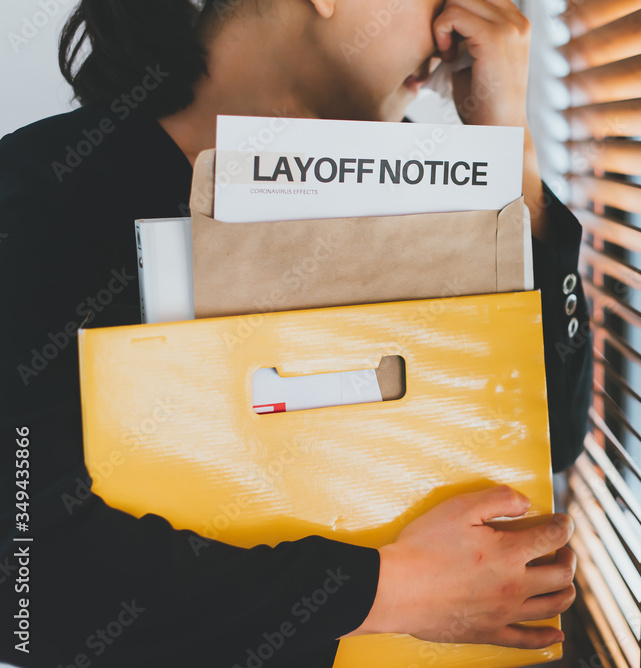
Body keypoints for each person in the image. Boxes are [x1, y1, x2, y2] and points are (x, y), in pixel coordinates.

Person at [0, 0, 594, 665]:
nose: (460, 19)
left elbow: (546, 441)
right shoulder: (42, 196)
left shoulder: (422, 187)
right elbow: (26, 582)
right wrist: (396, 589)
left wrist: (512, 156)